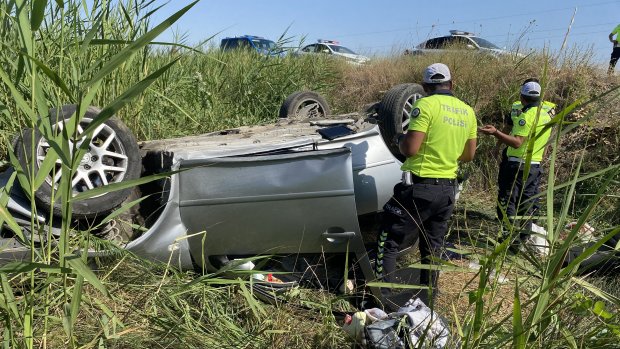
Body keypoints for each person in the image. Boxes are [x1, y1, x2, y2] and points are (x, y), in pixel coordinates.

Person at [374, 63, 477, 301]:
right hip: (448, 190)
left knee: (388, 240)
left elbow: (410, 149)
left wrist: (399, 138)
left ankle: (384, 301)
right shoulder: (467, 111)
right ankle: (428, 298)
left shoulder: (425, 105)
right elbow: (469, 155)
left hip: (419, 188)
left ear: (424, 86)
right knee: (432, 247)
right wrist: (446, 151)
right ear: (451, 84)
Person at [479, 81, 552, 245]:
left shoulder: (525, 117)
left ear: (522, 97)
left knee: (507, 201)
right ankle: (524, 237)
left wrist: (495, 133)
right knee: (526, 202)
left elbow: (517, 142)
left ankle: (509, 238)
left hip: (517, 165)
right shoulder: (546, 115)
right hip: (534, 165)